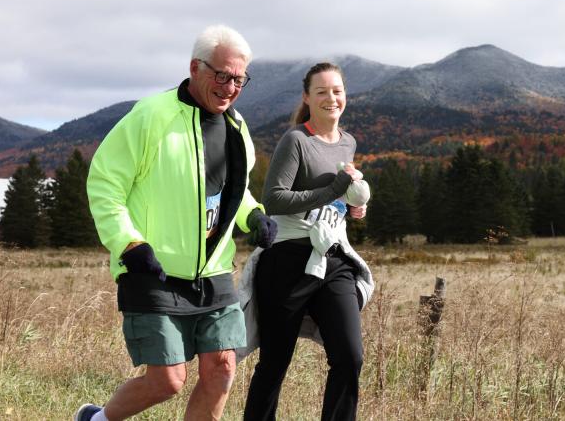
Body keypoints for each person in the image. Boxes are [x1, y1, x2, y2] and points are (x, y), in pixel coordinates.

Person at [76, 24, 277, 421]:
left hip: (214, 272)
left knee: (221, 369)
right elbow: (104, 183)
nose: (230, 87)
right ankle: (95, 420)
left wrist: (252, 215)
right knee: (167, 380)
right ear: (195, 68)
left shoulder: (238, 129)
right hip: (154, 269)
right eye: (222, 76)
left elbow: (231, 192)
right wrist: (128, 243)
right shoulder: (151, 116)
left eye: (240, 79)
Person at [242, 62, 373, 421]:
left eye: (337, 91)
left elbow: (334, 198)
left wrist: (349, 206)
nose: (331, 98)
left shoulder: (349, 141)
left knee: (350, 356)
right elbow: (275, 199)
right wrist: (333, 189)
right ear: (307, 97)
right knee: (274, 364)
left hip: (332, 259)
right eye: (322, 92)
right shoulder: (296, 140)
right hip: (287, 262)